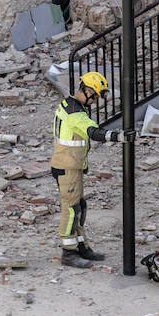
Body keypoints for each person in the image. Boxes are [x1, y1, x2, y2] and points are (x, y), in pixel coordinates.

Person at [50, 71, 130, 267]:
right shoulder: (74, 113)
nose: (95, 101)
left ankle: (81, 247)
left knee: (79, 207)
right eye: (94, 96)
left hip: (72, 167)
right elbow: (92, 132)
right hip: (67, 167)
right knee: (71, 210)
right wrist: (118, 137)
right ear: (86, 90)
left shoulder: (73, 105)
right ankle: (68, 253)